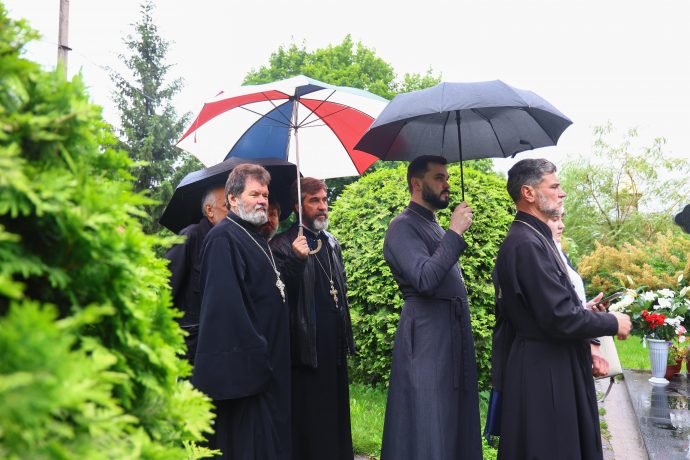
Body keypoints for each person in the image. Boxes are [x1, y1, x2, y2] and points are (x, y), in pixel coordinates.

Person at [493, 158, 631, 460]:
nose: (562, 192)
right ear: (529, 193)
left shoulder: (535, 238)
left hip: (552, 361)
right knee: (552, 448)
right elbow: (559, 317)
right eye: (554, 186)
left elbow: (558, 306)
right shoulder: (526, 243)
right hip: (544, 370)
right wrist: (612, 322)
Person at [380, 155, 482, 460]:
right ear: (416, 183)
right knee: (429, 421)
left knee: (452, 419)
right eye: (439, 178)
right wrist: (455, 232)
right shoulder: (401, 227)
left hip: (449, 334)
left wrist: (450, 232)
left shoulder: (433, 224)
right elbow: (425, 279)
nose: (446, 184)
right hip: (426, 337)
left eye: (447, 178)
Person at [192, 164, 291, 460]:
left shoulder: (255, 236)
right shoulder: (224, 238)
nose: (262, 201)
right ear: (233, 199)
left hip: (271, 366)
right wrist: (260, 355)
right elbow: (225, 311)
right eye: (254, 194)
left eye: (265, 195)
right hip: (248, 373)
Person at [270, 177, 355, 460]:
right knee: (312, 422)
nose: (322, 206)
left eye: (324, 200)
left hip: (334, 346)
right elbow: (279, 296)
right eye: (314, 200)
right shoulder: (281, 245)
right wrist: (295, 259)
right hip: (305, 349)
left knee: (336, 418)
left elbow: (339, 290)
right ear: (298, 206)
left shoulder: (331, 242)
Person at [164, 186, 227, 364]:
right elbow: (167, 285)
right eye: (226, 206)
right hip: (191, 341)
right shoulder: (190, 236)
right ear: (209, 210)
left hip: (220, 337)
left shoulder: (229, 240)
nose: (233, 211)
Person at [546, 210, 610, 377]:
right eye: (555, 219)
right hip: (559, 354)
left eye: (562, 219)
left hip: (575, 344)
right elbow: (556, 312)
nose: (562, 225)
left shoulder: (558, 252)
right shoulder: (543, 257)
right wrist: (611, 323)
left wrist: (586, 308)